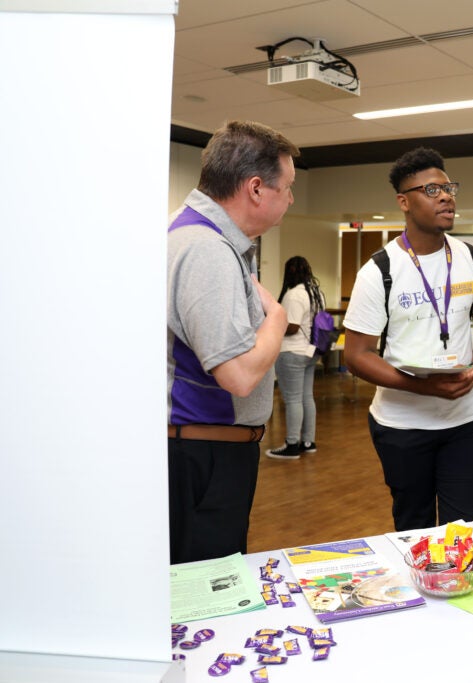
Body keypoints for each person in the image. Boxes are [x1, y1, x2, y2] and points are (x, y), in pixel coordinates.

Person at [343, 147, 473, 531]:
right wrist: (423, 388)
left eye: (449, 188)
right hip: (402, 424)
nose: (447, 196)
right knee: (412, 527)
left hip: (466, 421)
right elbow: (357, 354)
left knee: (463, 529)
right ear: (404, 202)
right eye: (432, 189)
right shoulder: (378, 270)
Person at [167, 120, 300, 564]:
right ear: (257, 188)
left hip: (198, 449)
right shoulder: (206, 248)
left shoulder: (191, 234)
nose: (292, 199)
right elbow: (239, 375)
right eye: (288, 188)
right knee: (205, 592)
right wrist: (278, 319)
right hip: (202, 454)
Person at [266, 256, 326, 459]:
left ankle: (292, 443)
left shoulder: (293, 295)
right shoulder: (316, 293)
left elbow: (291, 327)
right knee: (306, 398)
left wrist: (271, 326)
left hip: (291, 352)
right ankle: (308, 441)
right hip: (310, 352)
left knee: (292, 400)